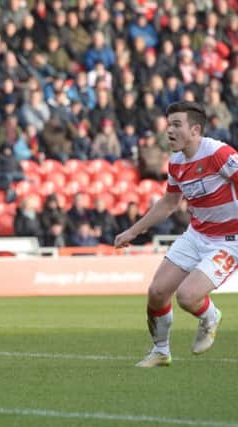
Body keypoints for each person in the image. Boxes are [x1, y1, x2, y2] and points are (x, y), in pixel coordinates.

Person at [114, 101, 231, 368]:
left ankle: (210, 316)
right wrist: (132, 231)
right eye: (169, 125)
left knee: (188, 297)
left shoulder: (218, 153)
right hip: (196, 234)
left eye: (177, 124)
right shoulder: (176, 162)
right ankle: (161, 351)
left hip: (228, 241)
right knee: (156, 292)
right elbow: (168, 204)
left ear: (195, 130)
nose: (170, 131)